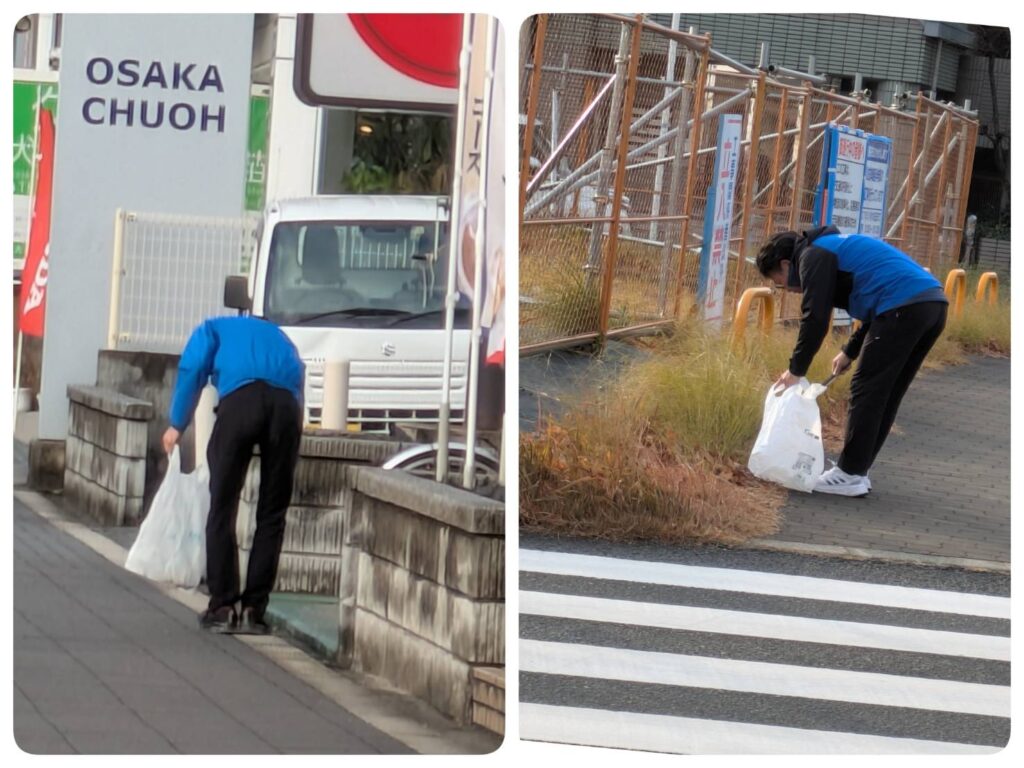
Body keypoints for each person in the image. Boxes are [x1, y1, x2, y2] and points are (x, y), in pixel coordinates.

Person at [756, 225, 948, 497]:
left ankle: (849, 473)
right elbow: (879, 299)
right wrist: (850, 351)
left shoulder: (812, 256)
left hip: (905, 307)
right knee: (886, 392)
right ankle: (857, 470)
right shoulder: (832, 246)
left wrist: (795, 371)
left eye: (779, 281)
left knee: (867, 389)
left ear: (786, 264)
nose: (788, 289)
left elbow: (815, 318)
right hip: (932, 305)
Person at [162, 315, 304, 633]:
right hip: (285, 408)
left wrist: (177, 422)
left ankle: (223, 606)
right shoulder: (279, 337)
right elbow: (299, 378)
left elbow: (193, 367)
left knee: (222, 506)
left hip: (240, 402)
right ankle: (255, 609)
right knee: (272, 513)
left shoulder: (213, 327)